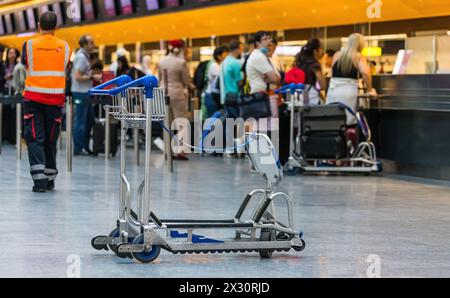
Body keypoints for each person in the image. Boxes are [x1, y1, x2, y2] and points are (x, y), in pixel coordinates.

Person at [21, 11, 72, 192]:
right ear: (57, 28)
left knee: (35, 138)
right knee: (51, 139)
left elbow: (25, 64)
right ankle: (50, 179)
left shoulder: (28, 45)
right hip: (55, 99)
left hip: (33, 98)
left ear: (38, 25)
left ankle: (40, 182)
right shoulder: (65, 47)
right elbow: (66, 67)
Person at [326, 33, 377, 125]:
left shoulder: (337, 54)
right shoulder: (359, 56)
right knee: (348, 121)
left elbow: (332, 74)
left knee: (333, 121)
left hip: (333, 91)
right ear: (361, 45)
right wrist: (370, 90)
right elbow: (366, 73)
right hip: (348, 91)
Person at [159, 40, 195, 160]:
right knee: (182, 124)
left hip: (163, 94)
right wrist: (191, 86)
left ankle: (167, 152)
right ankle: (181, 151)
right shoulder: (181, 62)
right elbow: (185, 81)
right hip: (177, 95)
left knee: (167, 124)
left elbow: (159, 78)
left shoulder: (162, 61)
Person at [245, 31, 281, 132]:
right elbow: (275, 79)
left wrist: (272, 78)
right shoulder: (258, 56)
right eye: (265, 39)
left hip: (265, 97)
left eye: (269, 38)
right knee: (263, 132)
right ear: (257, 43)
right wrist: (273, 78)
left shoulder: (263, 56)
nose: (269, 41)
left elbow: (276, 78)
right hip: (261, 98)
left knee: (267, 132)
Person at [72, 35, 100, 156]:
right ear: (84, 44)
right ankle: (78, 148)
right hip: (81, 93)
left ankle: (84, 146)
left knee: (89, 121)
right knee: (81, 121)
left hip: (85, 93)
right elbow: (77, 76)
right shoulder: (81, 57)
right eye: (91, 42)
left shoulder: (83, 56)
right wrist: (92, 77)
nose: (93, 45)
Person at [297, 38, 326, 105]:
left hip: (301, 99)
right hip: (313, 100)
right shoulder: (315, 65)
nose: (322, 51)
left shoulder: (301, 63)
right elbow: (323, 86)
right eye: (321, 48)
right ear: (315, 51)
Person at [220, 40, 244, 119]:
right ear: (236, 49)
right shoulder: (235, 63)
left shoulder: (225, 61)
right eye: (241, 49)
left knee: (229, 123)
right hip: (235, 96)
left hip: (226, 96)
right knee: (239, 122)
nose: (242, 51)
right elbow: (239, 82)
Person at [204, 45, 229, 117]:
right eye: (225, 54)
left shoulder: (221, 66)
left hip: (215, 96)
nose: (227, 56)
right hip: (212, 97)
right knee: (214, 119)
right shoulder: (215, 66)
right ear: (219, 56)